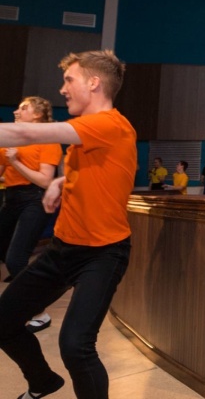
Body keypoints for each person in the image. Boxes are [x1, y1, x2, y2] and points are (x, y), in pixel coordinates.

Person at [0, 49, 136, 399]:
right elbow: (100, 171)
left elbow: (26, 134)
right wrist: (61, 182)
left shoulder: (110, 124)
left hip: (102, 254)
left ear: (93, 83)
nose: (62, 89)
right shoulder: (89, 133)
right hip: (63, 249)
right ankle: (43, 382)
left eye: (68, 80)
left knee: (76, 346)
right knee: (2, 321)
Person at [0, 97, 62, 334]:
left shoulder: (47, 140)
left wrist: (15, 161)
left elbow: (45, 180)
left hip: (34, 199)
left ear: (38, 114)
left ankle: (40, 313)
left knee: (16, 260)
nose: (16, 111)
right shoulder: (12, 140)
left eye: (23, 108)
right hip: (12, 198)